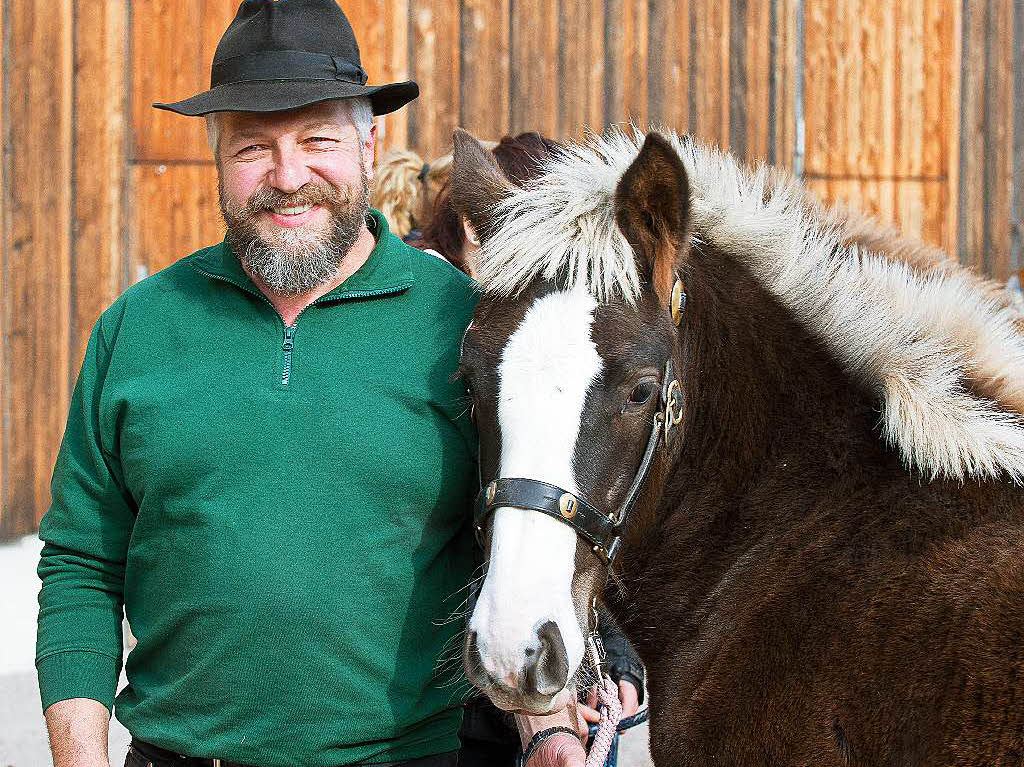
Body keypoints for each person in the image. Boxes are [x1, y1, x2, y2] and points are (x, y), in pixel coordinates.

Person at [34, 2, 589, 766]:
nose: (288, 177)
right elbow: (80, 564)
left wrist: (546, 723)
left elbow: (513, 539)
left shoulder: (460, 332)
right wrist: (78, 757)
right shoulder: (137, 328)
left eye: (318, 140)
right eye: (254, 147)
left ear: (370, 143)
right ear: (216, 155)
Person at [375, 132, 647, 767]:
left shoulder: (543, 332)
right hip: (454, 697)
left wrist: (615, 655)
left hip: (542, 671)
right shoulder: (450, 324)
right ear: (477, 233)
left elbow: (572, 502)